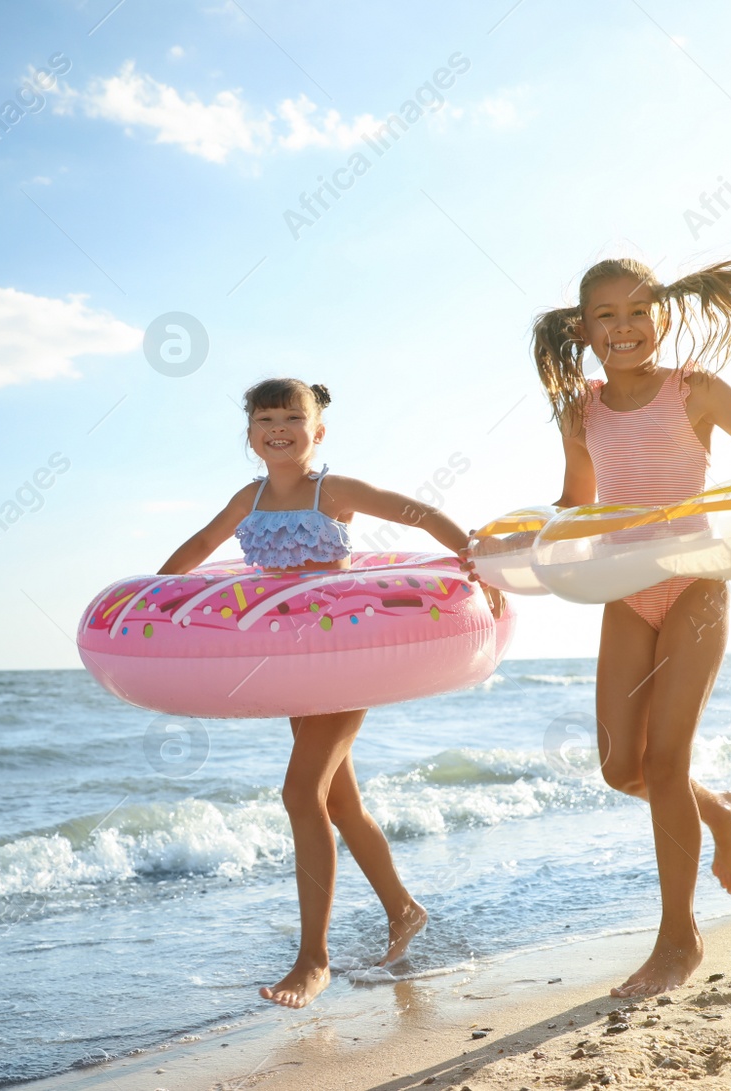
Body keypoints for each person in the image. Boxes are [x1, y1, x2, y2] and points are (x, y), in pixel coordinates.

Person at [529, 251, 731, 997]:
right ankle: (720, 812)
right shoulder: (580, 410)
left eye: (638, 311)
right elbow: (576, 508)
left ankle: (679, 938)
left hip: (695, 580)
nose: (624, 326)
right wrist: (518, 560)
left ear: (662, 317)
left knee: (664, 762)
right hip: (628, 588)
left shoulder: (694, 391)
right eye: (607, 315)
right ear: (583, 328)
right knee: (619, 767)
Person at [157, 377, 504, 1009]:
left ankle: (311, 958)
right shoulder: (249, 496)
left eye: (293, 415)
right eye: (266, 419)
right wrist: (153, 594)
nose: (279, 426)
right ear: (251, 435)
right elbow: (203, 546)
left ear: (318, 430)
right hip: (289, 665)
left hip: (342, 655)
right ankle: (403, 909)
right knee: (338, 803)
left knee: (299, 793)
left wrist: (473, 555)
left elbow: (414, 512)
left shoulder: (332, 490)